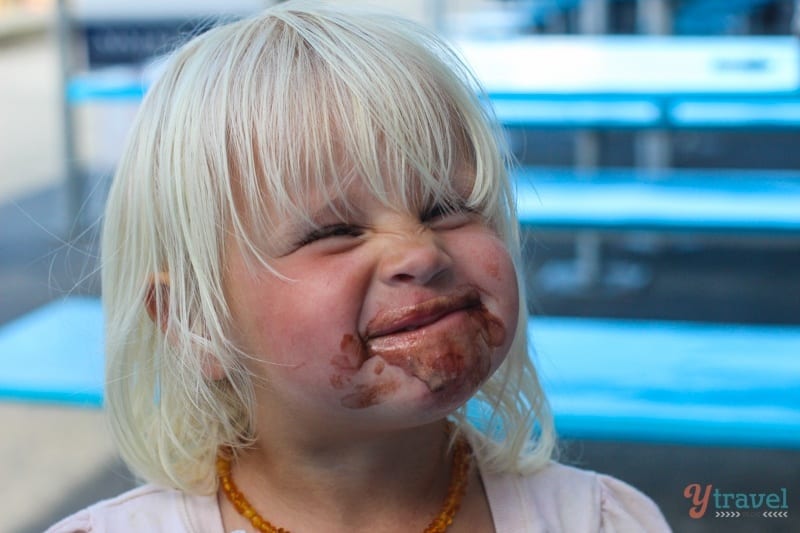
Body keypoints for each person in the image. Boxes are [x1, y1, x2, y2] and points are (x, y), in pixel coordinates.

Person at [48, 1, 670, 531]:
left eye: (448, 207)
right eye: (336, 231)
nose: (420, 253)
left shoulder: (597, 520)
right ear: (194, 323)